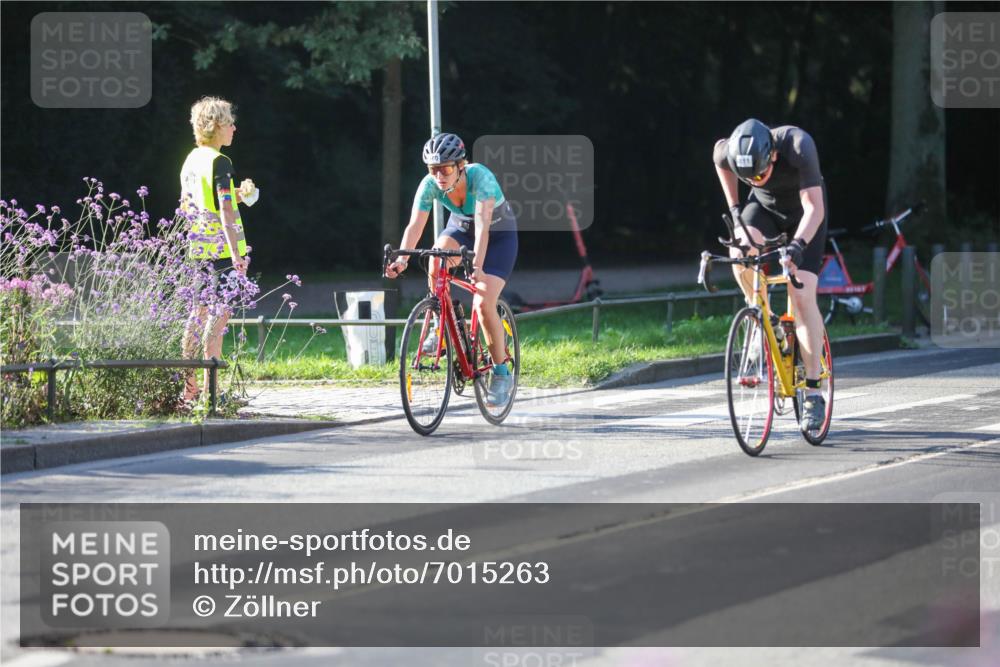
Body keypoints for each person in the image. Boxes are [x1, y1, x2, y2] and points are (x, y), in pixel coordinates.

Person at [384, 132, 518, 406]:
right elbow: (415, 226)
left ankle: (502, 373)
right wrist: (402, 260)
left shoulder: (481, 178)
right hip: (460, 229)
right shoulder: (430, 184)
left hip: (497, 236)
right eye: (433, 169)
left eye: (445, 168)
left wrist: (477, 266)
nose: (439, 175)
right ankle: (439, 328)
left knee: (482, 304)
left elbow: (482, 227)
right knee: (435, 260)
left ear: (460, 165)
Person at [713, 118, 828, 430]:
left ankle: (813, 392)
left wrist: (798, 247)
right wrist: (736, 210)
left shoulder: (798, 146)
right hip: (763, 210)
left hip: (804, 215)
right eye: (750, 177)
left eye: (761, 174)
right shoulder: (730, 152)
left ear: (773, 156)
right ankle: (766, 319)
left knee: (801, 293)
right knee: (739, 253)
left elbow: (814, 208)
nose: (758, 179)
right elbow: (718, 157)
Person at [179, 96, 256, 402]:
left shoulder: (191, 159)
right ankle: (212, 391)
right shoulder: (220, 162)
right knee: (218, 319)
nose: (234, 128)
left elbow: (203, 200)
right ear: (216, 126)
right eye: (229, 122)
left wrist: (241, 193)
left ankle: (188, 389)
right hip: (222, 251)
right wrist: (237, 254)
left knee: (195, 316)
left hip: (196, 247)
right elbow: (224, 210)